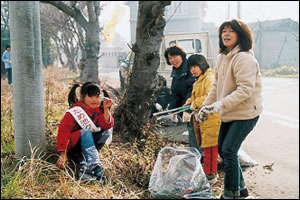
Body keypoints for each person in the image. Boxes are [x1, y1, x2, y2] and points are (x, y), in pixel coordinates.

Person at [198, 19, 263, 199]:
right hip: (229, 112)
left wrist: (219, 105)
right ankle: (241, 189)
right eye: (223, 31)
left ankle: (231, 194)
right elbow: (216, 85)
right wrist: (204, 107)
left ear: (241, 35)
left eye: (231, 31)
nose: (225, 34)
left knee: (228, 150)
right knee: (223, 149)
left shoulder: (244, 58)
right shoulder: (222, 57)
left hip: (246, 113)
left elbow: (245, 90)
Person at [56, 82, 114, 184]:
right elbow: (63, 132)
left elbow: (106, 125)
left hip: (89, 144)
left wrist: (106, 109)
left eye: (97, 96)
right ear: (82, 97)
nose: (94, 100)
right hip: (74, 144)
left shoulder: (98, 110)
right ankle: (93, 166)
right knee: (86, 132)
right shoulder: (75, 111)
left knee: (105, 133)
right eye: (90, 96)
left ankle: (86, 161)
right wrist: (63, 154)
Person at [184, 54, 221, 185]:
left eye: (195, 66)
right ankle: (209, 174)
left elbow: (209, 96)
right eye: (190, 68)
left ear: (202, 64)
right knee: (206, 148)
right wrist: (188, 102)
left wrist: (194, 104)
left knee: (211, 150)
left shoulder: (209, 78)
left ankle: (211, 176)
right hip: (204, 120)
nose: (192, 70)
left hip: (211, 120)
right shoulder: (200, 79)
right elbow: (196, 96)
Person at [164, 45, 197, 122]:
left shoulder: (190, 68)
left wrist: (186, 107)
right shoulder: (176, 72)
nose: (173, 60)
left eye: (175, 56)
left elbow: (192, 89)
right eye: (170, 58)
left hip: (194, 107)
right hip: (184, 110)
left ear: (181, 56)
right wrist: (171, 111)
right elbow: (175, 93)